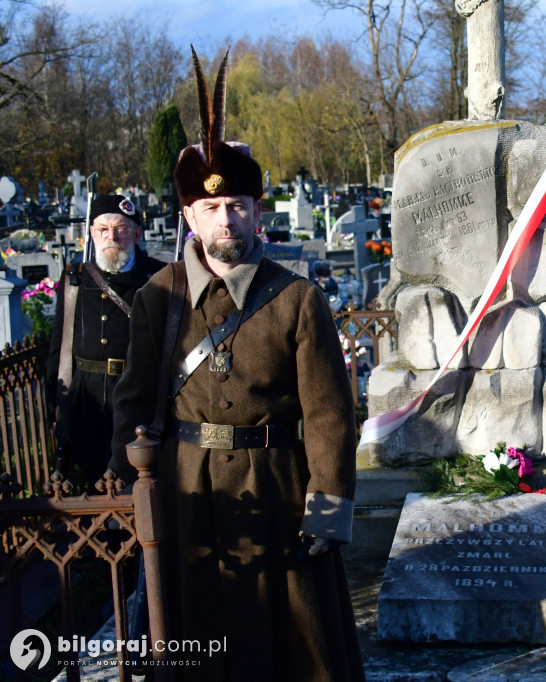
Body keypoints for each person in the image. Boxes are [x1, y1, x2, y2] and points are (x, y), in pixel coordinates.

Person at [109, 49, 364, 680]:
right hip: (186, 490)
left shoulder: (297, 297)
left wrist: (327, 506)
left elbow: (330, 411)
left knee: (293, 647)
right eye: (212, 209)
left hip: (277, 487)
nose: (227, 219)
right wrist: (128, 492)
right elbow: (134, 402)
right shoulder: (158, 297)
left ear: (257, 209)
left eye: (240, 205)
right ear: (189, 217)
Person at [46, 194, 164, 485]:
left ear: (136, 234)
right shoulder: (75, 278)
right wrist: (55, 404)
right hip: (87, 396)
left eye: (121, 229)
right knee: (91, 473)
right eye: (103, 229)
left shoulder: (159, 276)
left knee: (140, 479)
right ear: (92, 234)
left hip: (140, 391)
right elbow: (59, 346)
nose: (112, 237)